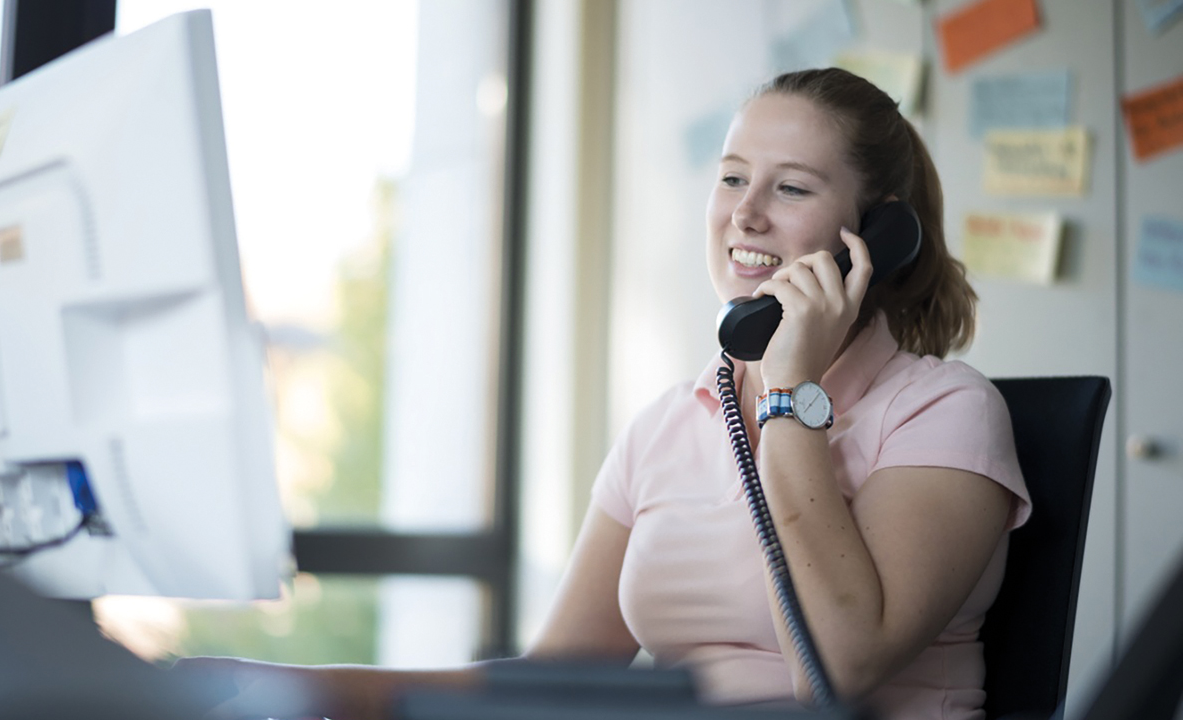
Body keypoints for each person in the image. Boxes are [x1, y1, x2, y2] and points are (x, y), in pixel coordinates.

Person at [173, 67, 1031, 720]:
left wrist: (789, 393)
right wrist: (306, 689)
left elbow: (835, 673)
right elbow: (556, 680)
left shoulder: (945, 412)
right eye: (733, 178)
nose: (745, 215)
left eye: (792, 187)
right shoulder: (670, 425)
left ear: (876, 232)